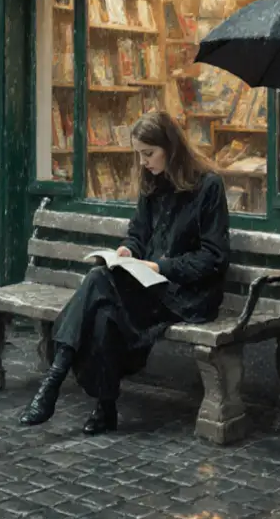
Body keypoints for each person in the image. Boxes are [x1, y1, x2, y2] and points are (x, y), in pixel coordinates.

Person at [18, 110, 230, 435]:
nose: (143, 162)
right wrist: (128, 251)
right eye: (139, 155)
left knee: (98, 284)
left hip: (188, 296)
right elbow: (138, 234)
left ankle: (58, 380)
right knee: (102, 306)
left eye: (149, 154)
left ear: (170, 147)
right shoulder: (153, 184)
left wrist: (161, 266)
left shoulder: (208, 186)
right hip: (150, 287)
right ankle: (99, 406)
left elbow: (214, 258)